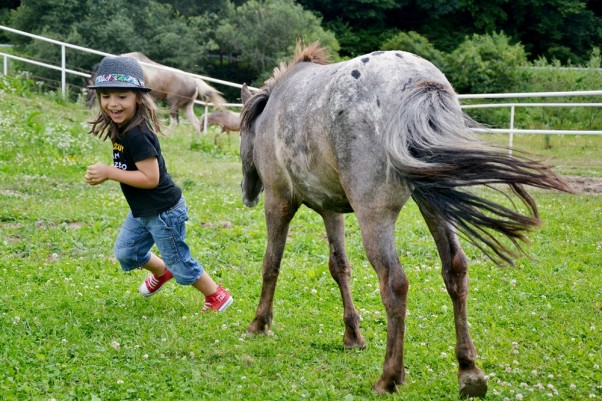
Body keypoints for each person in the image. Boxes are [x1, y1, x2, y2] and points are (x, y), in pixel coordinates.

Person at [85, 56, 233, 312]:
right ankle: (161, 272)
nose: (112, 103)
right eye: (106, 95)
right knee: (127, 252)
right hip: (143, 209)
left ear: (138, 98)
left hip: (163, 211)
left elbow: (150, 179)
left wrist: (109, 172)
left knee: (179, 260)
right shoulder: (121, 127)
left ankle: (216, 295)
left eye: (122, 96)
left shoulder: (138, 134)